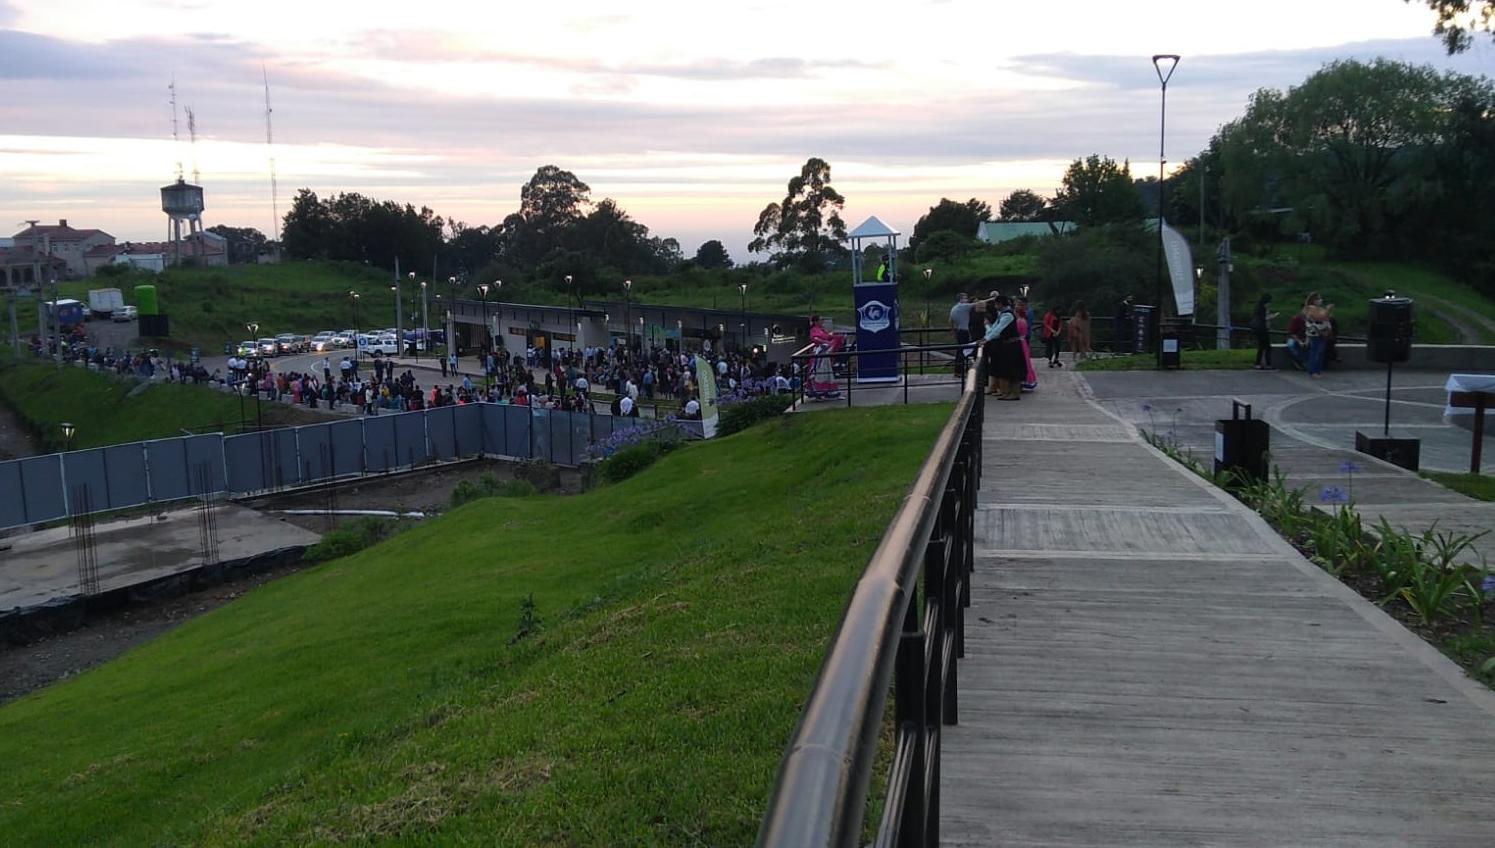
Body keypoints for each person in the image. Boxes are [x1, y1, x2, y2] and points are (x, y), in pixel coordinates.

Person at [982, 295, 1025, 400]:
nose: (995, 306)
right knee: (1007, 369)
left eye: (996, 304)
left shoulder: (1007, 315)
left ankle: (1014, 394)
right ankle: (1007, 392)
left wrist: (987, 338)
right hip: (1007, 345)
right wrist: (986, 337)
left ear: (1000, 304)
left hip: (1012, 345)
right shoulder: (1002, 314)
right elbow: (994, 328)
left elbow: (998, 330)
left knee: (1013, 369)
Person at [805, 314, 843, 398]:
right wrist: (825, 342)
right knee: (819, 373)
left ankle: (828, 391)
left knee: (826, 372)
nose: (822, 322)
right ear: (815, 322)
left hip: (825, 354)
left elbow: (828, 336)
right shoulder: (814, 330)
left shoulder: (821, 330)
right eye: (820, 320)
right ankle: (819, 392)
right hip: (819, 354)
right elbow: (815, 339)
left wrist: (836, 337)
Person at [1303, 292, 1334, 378]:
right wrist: (1327, 309)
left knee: (1320, 352)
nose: (1320, 300)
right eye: (1318, 299)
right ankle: (1313, 371)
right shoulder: (1311, 308)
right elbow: (1319, 317)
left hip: (1322, 333)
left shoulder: (1318, 308)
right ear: (1313, 300)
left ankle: (1317, 370)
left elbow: (1326, 317)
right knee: (1315, 352)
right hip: (1315, 333)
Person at [1250, 293, 1279, 370]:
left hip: (1258, 329)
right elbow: (1264, 318)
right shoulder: (1263, 308)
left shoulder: (1258, 307)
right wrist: (1272, 317)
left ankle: (1258, 363)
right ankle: (1267, 364)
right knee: (1267, 346)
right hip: (1262, 329)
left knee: (1261, 346)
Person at [1015, 296, 1037, 391]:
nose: (1018, 306)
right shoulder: (1024, 313)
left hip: (1024, 336)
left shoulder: (1027, 313)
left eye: (1020, 304)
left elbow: (1027, 323)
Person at [949, 293, 973, 366]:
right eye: (965, 298)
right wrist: (992, 299)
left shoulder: (954, 308)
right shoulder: (964, 306)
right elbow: (978, 303)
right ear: (961, 299)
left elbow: (950, 320)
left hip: (959, 331)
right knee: (963, 351)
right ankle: (960, 369)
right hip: (964, 331)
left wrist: (953, 331)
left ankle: (958, 369)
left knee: (959, 350)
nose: (967, 300)